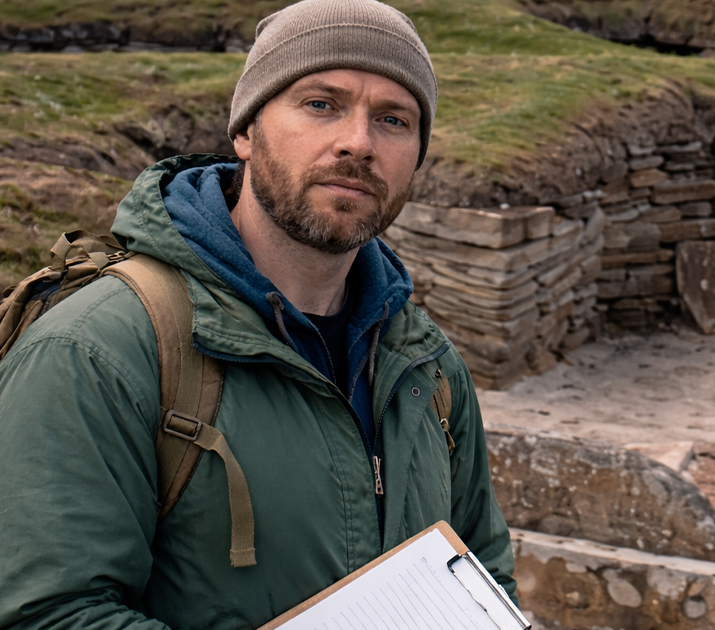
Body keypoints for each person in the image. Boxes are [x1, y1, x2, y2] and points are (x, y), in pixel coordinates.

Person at [0, 0, 516, 627]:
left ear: (416, 157)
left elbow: (482, 573)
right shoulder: (98, 349)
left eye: (394, 119)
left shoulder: (426, 364)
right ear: (245, 131)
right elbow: (44, 614)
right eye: (320, 104)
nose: (358, 142)